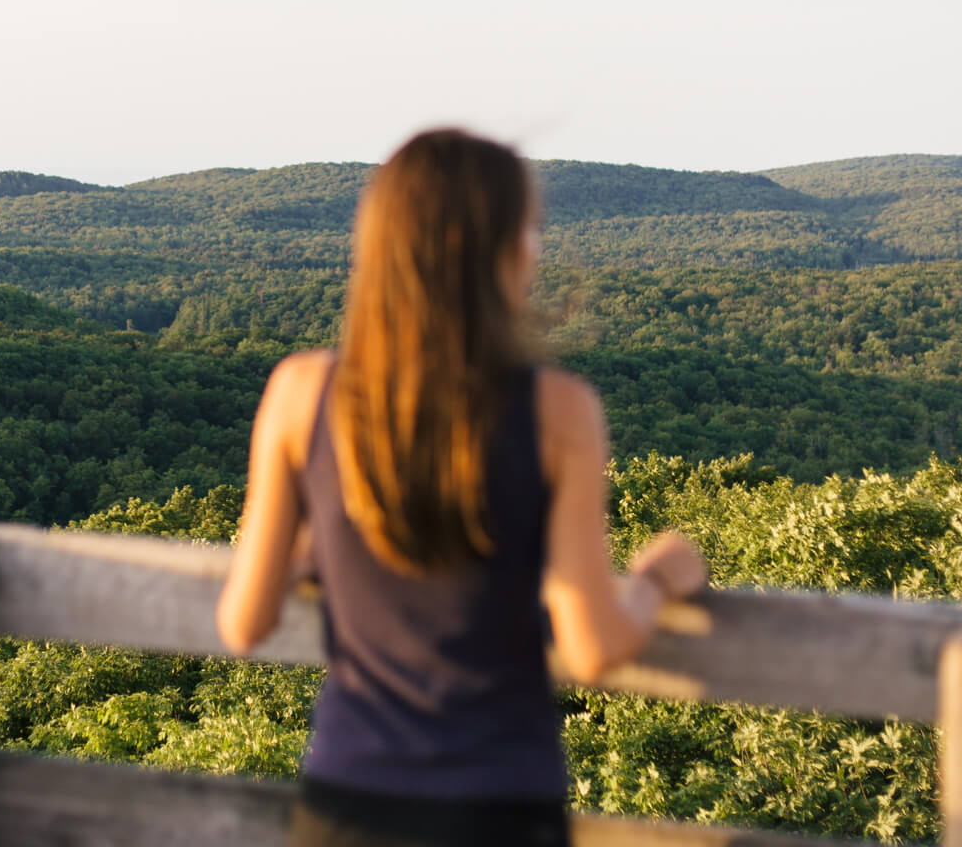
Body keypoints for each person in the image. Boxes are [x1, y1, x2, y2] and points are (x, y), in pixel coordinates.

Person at [216, 128, 709, 847]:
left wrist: (314, 548)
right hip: (498, 807)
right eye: (529, 230)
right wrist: (658, 582)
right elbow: (594, 645)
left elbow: (243, 622)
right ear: (500, 253)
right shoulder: (558, 412)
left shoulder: (299, 394)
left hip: (347, 805)